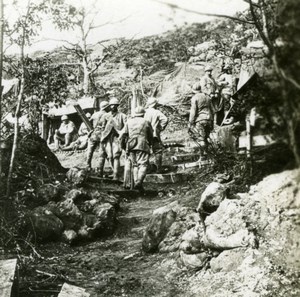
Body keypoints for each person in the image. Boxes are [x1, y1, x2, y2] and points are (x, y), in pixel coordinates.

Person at [119, 106, 153, 191]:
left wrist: (123, 146)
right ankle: (139, 182)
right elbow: (150, 136)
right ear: (143, 114)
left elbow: (122, 135)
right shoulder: (146, 122)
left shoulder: (128, 122)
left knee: (135, 165)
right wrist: (151, 144)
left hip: (131, 145)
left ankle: (137, 185)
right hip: (142, 145)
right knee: (143, 164)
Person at [101, 97, 127, 180]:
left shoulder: (122, 116)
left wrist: (121, 134)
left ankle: (116, 175)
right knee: (109, 156)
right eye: (111, 105)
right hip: (108, 138)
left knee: (116, 156)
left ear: (117, 106)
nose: (113, 107)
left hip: (117, 138)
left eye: (115, 105)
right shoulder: (106, 116)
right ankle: (114, 171)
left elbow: (126, 127)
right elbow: (102, 127)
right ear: (109, 106)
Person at [144, 97, 168, 173]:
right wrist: (160, 128)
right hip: (154, 134)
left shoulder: (144, 112)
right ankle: (159, 169)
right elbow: (165, 119)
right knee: (157, 151)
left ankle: (147, 168)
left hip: (145, 134)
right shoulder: (156, 112)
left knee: (145, 151)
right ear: (155, 104)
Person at [86, 101, 110, 174]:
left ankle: (87, 166)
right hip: (102, 135)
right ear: (106, 107)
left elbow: (88, 123)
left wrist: (89, 132)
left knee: (90, 151)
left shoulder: (94, 114)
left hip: (93, 134)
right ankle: (100, 170)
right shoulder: (107, 115)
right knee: (102, 153)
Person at [188, 82, 214, 150]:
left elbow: (193, 111)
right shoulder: (207, 97)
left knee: (201, 139)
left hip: (200, 120)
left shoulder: (194, 98)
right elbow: (212, 110)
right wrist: (212, 121)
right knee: (206, 138)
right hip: (209, 119)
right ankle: (209, 156)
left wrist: (191, 122)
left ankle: (202, 156)